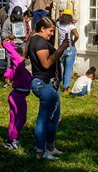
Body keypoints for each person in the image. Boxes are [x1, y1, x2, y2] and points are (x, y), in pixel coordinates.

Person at [27, 17, 71, 160]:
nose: (51, 34)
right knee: (44, 118)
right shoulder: (39, 42)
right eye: (50, 31)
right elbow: (46, 64)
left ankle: (50, 147)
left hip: (49, 83)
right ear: (42, 29)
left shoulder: (35, 40)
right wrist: (60, 49)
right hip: (43, 82)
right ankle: (40, 151)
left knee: (54, 116)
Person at [3, 41, 33, 150]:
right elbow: (15, 56)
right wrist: (8, 44)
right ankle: (13, 138)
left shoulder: (18, 69)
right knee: (22, 119)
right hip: (19, 97)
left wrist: (12, 44)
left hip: (14, 95)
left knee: (13, 118)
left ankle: (10, 140)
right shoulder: (19, 65)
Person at [56, 9, 79, 92]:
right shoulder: (71, 26)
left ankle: (58, 84)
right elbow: (77, 35)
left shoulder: (58, 24)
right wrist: (73, 42)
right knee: (68, 69)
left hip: (61, 47)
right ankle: (66, 87)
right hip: (69, 47)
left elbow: (56, 21)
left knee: (61, 67)